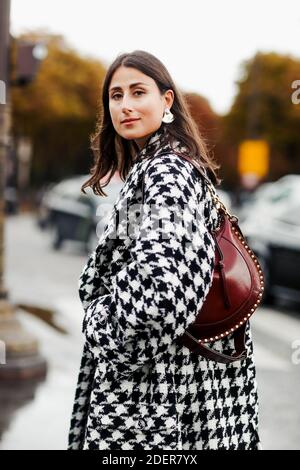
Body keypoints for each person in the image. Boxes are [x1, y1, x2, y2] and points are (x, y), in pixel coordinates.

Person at [68, 50, 261, 450]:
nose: (125, 105)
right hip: (181, 388)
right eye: (116, 96)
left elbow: (160, 291)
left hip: (159, 396)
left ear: (166, 101)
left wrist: (99, 325)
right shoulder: (161, 166)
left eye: (138, 92)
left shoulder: (166, 172)